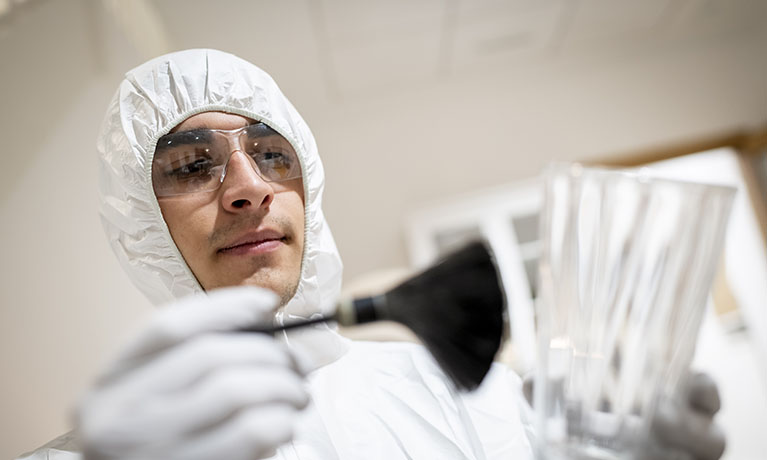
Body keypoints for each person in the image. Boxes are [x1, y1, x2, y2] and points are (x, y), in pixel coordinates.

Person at [18, 49, 725, 460]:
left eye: (271, 154)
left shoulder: (461, 394)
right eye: (190, 165)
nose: (248, 188)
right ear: (141, 223)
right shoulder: (109, 452)